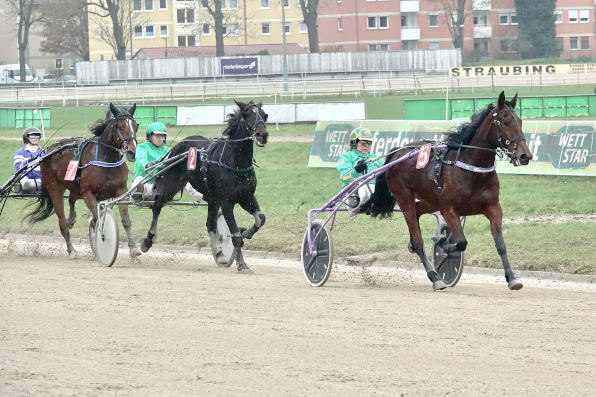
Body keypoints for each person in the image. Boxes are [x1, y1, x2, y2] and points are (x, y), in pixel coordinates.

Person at [132, 122, 205, 203]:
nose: (160, 139)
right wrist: (148, 164)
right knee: (138, 180)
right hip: (146, 186)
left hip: (162, 187)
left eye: (162, 136)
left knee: (185, 179)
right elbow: (140, 159)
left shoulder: (167, 151)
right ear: (150, 136)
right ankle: (138, 198)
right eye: (157, 136)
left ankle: (206, 200)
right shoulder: (141, 147)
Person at [337, 127, 383, 210]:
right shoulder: (347, 156)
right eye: (363, 142)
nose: (366, 145)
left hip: (375, 189)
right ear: (354, 143)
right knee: (361, 189)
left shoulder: (375, 158)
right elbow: (344, 177)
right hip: (356, 187)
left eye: (369, 143)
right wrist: (356, 170)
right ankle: (354, 195)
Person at [13, 126, 45, 194]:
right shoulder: (20, 152)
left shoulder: (43, 152)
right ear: (26, 137)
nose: (35, 138)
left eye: (37, 136)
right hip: (27, 181)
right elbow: (18, 168)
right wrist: (27, 162)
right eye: (32, 136)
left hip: (42, 180)